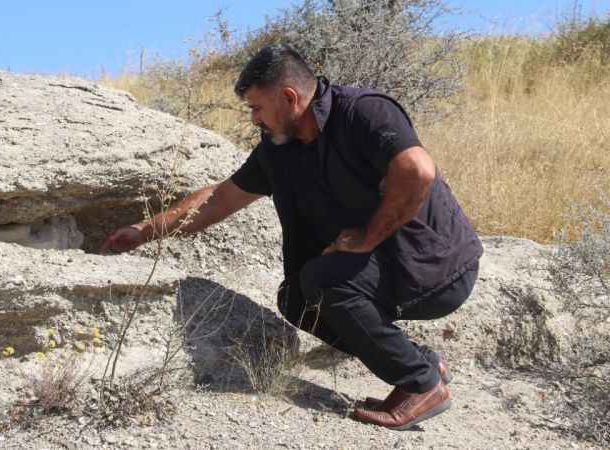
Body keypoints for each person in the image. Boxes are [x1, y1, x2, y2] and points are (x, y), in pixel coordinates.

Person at [100, 44, 482, 430]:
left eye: (256, 107)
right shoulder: (279, 149)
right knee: (297, 298)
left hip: (437, 265)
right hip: (391, 267)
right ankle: (419, 366)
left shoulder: (363, 112)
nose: (254, 119)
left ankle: (423, 384)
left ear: (288, 98)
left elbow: (416, 170)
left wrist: (367, 237)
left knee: (323, 279)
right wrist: (145, 231)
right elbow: (221, 197)